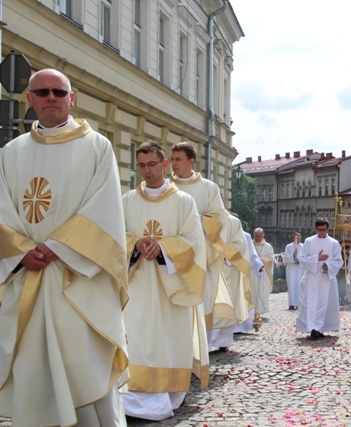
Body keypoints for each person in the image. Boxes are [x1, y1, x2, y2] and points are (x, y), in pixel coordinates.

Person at [0, 68, 129, 426]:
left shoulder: (97, 147)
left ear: (72, 99)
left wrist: (56, 247)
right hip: (25, 278)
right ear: (29, 99)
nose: (51, 98)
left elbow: (104, 209)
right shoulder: (10, 153)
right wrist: (20, 249)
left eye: (59, 92)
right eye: (42, 92)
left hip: (78, 281)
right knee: (31, 366)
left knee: (82, 363)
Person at [121, 141, 208, 420]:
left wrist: (163, 248)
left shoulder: (183, 201)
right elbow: (115, 237)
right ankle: (135, 397)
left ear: (164, 165)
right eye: (141, 165)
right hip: (137, 285)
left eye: (152, 164)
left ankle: (167, 395)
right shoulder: (126, 201)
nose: (147, 170)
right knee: (136, 337)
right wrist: (135, 245)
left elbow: (194, 240)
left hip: (172, 287)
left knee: (167, 338)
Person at [169, 142, 238, 352]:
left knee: (201, 301)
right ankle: (175, 352)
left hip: (201, 255)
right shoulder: (166, 187)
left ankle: (200, 352)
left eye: (178, 159)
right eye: (172, 159)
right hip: (172, 255)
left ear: (192, 161)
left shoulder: (209, 188)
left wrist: (197, 219)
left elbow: (220, 218)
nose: (174, 164)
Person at [296, 218, 343, 339]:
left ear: (328, 228)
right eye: (319, 229)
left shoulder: (334, 243)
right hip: (312, 277)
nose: (322, 232)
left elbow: (339, 260)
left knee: (325, 303)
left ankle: (321, 328)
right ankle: (312, 327)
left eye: (324, 229)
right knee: (312, 303)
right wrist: (317, 257)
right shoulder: (309, 241)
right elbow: (302, 258)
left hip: (327, 278)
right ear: (316, 229)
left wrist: (329, 265)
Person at [252, 228, 276, 318]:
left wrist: (261, 260)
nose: (258, 238)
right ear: (253, 235)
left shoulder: (268, 246)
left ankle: (261, 310)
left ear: (263, 235)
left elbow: (271, 259)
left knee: (262, 291)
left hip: (263, 272)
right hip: (252, 273)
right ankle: (252, 311)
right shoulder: (249, 245)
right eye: (256, 236)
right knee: (253, 290)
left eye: (259, 236)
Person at [284, 232, 304, 310]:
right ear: (293, 238)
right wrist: (293, 255)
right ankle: (291, 303)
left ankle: (299, 303)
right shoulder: (288, 246)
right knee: (291, 285)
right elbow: (286, 257)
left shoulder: (303, 246)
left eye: (299, 238)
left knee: (299, 285)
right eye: (296, 238)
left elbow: (305, 257)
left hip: (300, 268)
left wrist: (298, 259)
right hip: (291, 268)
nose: (297, 240)